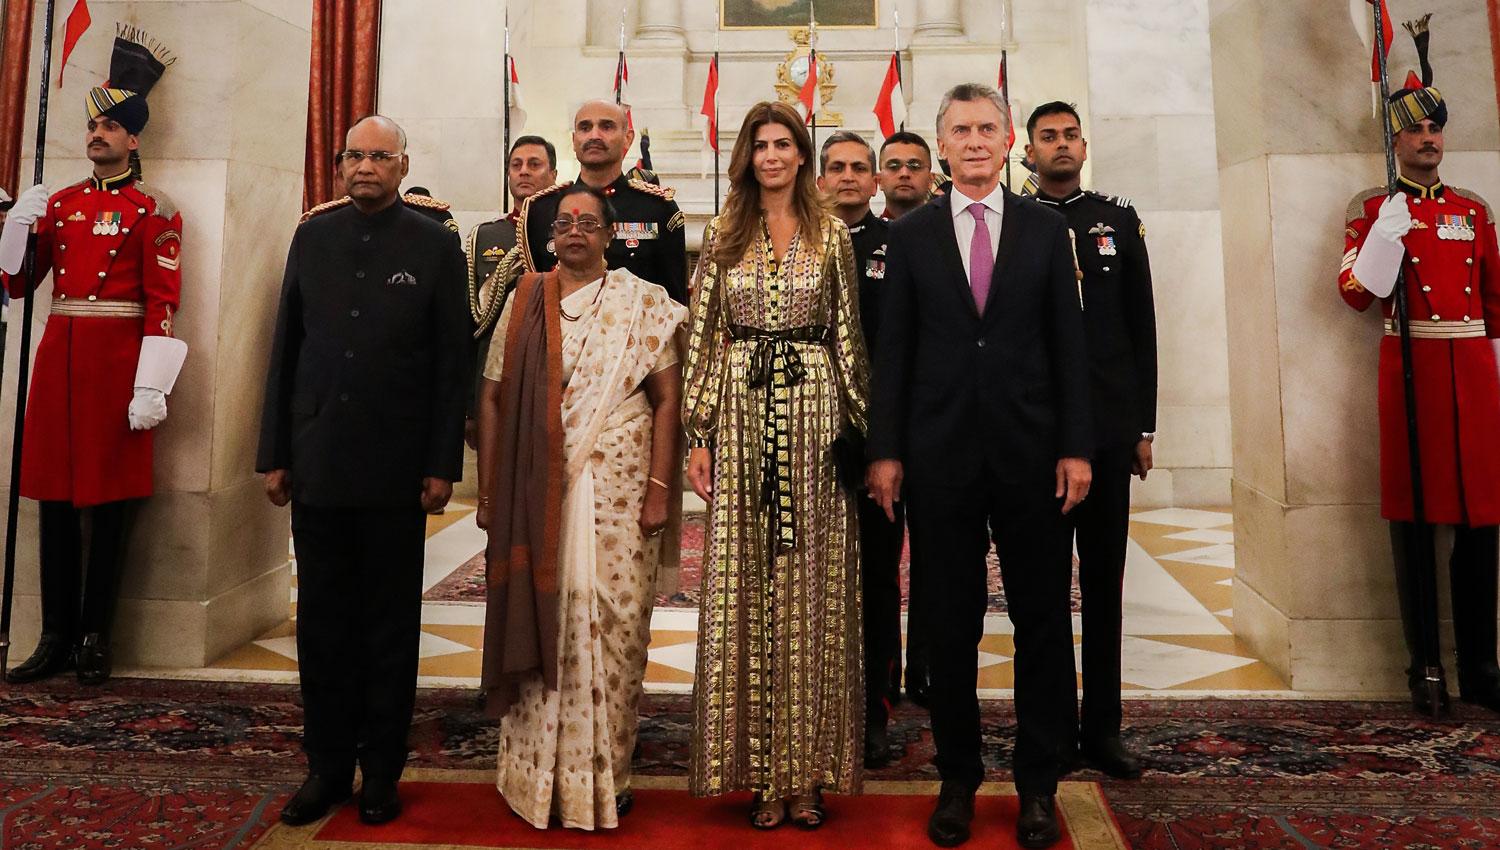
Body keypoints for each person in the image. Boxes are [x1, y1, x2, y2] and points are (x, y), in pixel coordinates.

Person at [866, 83, 1092, 850]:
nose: (973, 141)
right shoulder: (914, 235)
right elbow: (893, 352)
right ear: (942, 143)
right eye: (959, 130)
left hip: (1033, 456)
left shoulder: (1044, 230)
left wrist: (1076, 446)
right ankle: (958, 778)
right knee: (949, 624)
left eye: (986, 128)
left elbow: (1070, 345)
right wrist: (887, 452)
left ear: (1007, 141)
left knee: (1041, 624)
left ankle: (1037, 783)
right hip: (940, 457)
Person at [256, 115, 469, 827]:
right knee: (320, 626)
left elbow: (451, 366)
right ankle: (325, 768)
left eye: (380, 156)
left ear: (403, 165)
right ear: (340, 164)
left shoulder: (437, 247)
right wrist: (276, 453)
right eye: (355, 155)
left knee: (386, 628)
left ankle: (381, 771)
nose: (366, 166)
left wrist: (443, 464)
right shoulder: (312, 236)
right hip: (318, 460)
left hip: (397, 468)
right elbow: (286, 346)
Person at [683, 101, 869, 830]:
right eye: (759, 144)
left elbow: (850, 333)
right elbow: (702, 337)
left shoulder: (833, 236)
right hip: (738, 409)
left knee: (813, 587)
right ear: (746, 156)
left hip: (817, 411)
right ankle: (759, 772)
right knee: (745, 582)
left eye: (783, 143)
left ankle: (810, 774)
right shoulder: (724, 234)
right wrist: (697, 432)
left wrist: (863, 433)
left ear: (802, 154)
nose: (771, 155)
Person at [477, 182, 685, 830]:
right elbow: (491, 397)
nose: (574, 231)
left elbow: (668, 400)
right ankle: (534, 774)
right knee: (541, 616)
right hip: (535, 485)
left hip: (621, 488)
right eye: (564, 222)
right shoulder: (524, 300)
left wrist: (658, 490)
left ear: (609, 235)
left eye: (588, 223)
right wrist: (490, 490)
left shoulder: (643, 303)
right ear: (549, 236)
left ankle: (608, 775)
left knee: (613, 626)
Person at [1, 30, 184, 687]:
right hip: (59, 364)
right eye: (93, 124)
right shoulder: (61, 203)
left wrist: (151, 384)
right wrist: (16, 230)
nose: (97, 133)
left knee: (109, 508)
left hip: (117, 370)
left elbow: (165, 300)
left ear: (134, 139)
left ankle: (94, 636)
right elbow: (19, 285)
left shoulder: (153, 209)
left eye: (110, 125)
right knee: (53, 502)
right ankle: (52, 635)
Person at [1338, 25, 1500, 717]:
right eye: (1416, 130)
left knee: (1481, 525)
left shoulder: (1473, 209)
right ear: (1396, 141)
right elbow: (1353, 293)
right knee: (1414, 524)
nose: (1429, 138)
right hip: (1412, 373)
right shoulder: (1374, 210)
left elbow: (1495, 304)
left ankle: (1483, 669)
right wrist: (1385, 235)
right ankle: (1424, 667)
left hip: (1472, 373)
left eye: (1436, 128)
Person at [1024, 101, 1158, 779]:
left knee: (1105, 585)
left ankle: (1103, 728)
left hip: (1107, 431)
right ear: (1030, 149)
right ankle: (1046, 730)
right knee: (1044, 593)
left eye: (1070, 134)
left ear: (1083, 143)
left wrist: (1143, 424)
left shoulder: (1117, 220)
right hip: (1042, 436)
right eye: (1048, 136)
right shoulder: (1018, 223)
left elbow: (1141, 326)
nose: (1062, 145)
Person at [818, 130, 902, 768]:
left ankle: (875, 707)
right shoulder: (799, 247)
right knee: (811, 580)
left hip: (877, 441)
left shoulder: (899, 247)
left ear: (876, 183)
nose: (848, 177)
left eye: (858, 168)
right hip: (808, 439)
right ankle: (815, 706)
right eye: (836, 168)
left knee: (874, 579)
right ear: (819, 181)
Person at [518, 101, 688, 305]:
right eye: (585, 127)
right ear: (573, 140)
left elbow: (674, 305)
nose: (594, 136)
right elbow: (534, 298)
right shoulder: (540, 209)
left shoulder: (658, 209)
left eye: (606, 127)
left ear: (628, 138)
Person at [463, 135, 558, 449]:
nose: (524, 172)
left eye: (534, 164)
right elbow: (473, 326)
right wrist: (470, 406)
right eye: (516, 165)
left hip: (554, 376)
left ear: (553, 175)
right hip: (495, 380)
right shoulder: (485, 236)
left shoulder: (569, 233)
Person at [878, 131, 935, 221]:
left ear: (930, 180)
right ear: (879, 180)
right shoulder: (861, 235)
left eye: (915, 166)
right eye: (894, 166)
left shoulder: (952, 233)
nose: (904, 173)